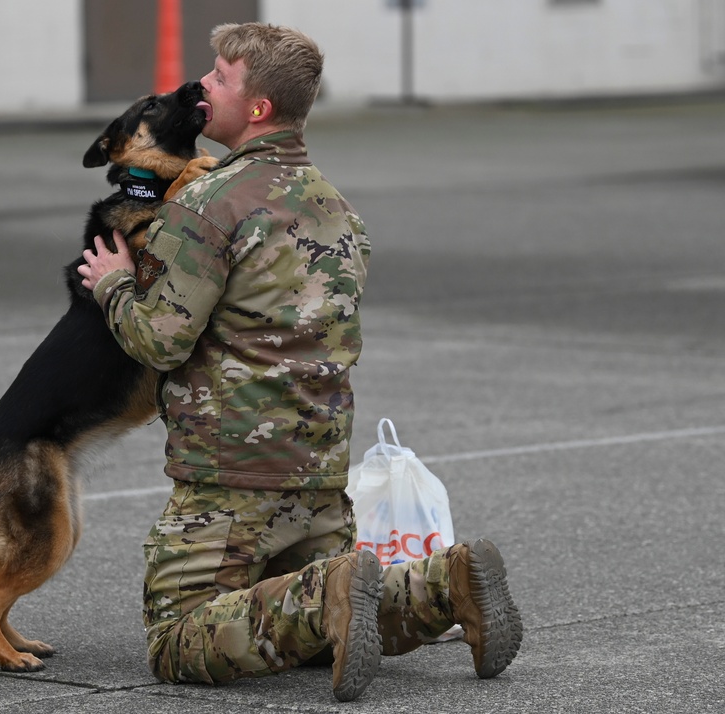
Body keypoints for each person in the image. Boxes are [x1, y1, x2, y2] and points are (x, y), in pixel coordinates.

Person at [78, 22, 522, 702]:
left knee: (178, 641)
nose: (203, 86)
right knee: (304, 629)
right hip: (316, 473)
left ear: (256, 109)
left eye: (221, 78)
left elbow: (159, 339)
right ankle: (442, 586)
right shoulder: (335, 208)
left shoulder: (206, 204)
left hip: (229, 476)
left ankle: (327, 596)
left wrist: (111, 283)